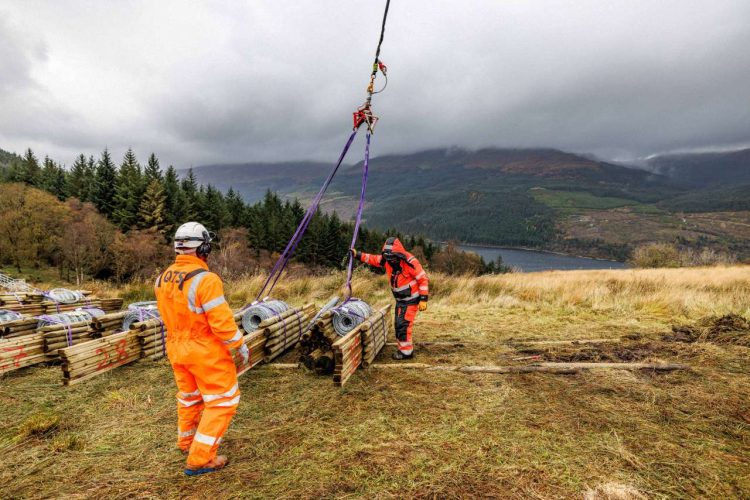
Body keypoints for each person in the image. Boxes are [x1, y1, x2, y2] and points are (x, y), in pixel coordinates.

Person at [154, 221, 249, 476]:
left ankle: (187, 442)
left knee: (190, 398)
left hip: (176, 348)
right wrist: (239, 345)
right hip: (204, 351)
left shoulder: (162, 278)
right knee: (222, 402)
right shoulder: (206, 280)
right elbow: (221, 323)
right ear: (204, 248)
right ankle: (201, 458)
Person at [351, 237, 429, 359]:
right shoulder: (386, 259)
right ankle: (404, 348)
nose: (390, 261)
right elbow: (373, 259)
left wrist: (423, 299)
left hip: (411, 300)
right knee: (398, 324)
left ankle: (406, 352)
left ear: (398, 255)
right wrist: (358, 255)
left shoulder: (410, 262)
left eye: (393, 258)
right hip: (400, 300)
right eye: (388, 258)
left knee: (403, 324)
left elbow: (423, 279)